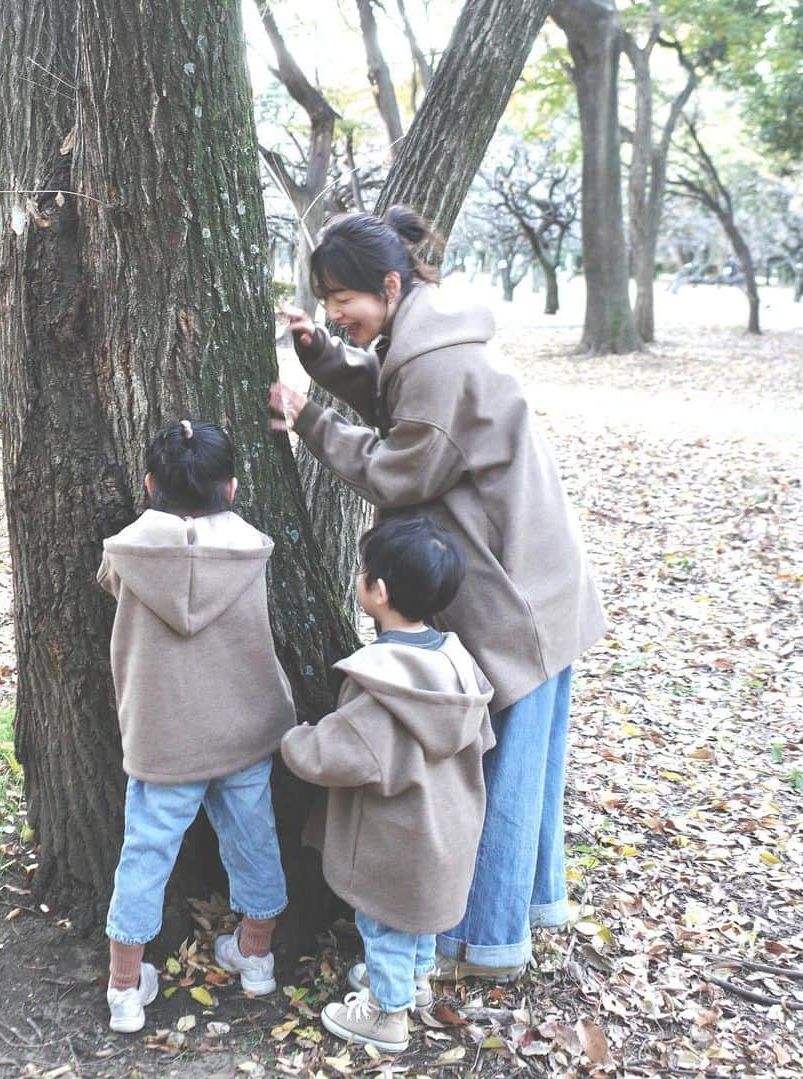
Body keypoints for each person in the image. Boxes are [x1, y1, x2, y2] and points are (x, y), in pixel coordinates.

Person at [270, 207, 606, 983]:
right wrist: (323, 357)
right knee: (528, 758)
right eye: (324, 304)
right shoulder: (425, 332)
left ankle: (484, 941)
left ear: (389, 284)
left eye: (340, 301)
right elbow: (399, 401)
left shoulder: (438, 358)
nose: (334, 314)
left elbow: (406, 467)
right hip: (534, 575)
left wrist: (310, 420)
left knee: (504, 765)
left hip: (513, 587)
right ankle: (525, 906)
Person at [97, 420, 294, 1033]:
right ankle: (256, 956)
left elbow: (114, 585)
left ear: (151, 483)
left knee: (146, 855)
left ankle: (125, 987)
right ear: (231, 488)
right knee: (254, 840)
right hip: (243, 728)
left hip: (162, 736)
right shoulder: (251, 551)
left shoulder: (126, 552)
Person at [282, 515, 494, 1053]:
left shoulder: (380, 681)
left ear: (377, 591)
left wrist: (290, 740)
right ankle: (414, 987)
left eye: (363, 571)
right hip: (448, 830)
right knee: (416, 924)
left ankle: (385, 1012)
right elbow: (481, 738)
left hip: (395, 842)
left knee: (385, 925)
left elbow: (337, 755)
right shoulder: (458, 661)